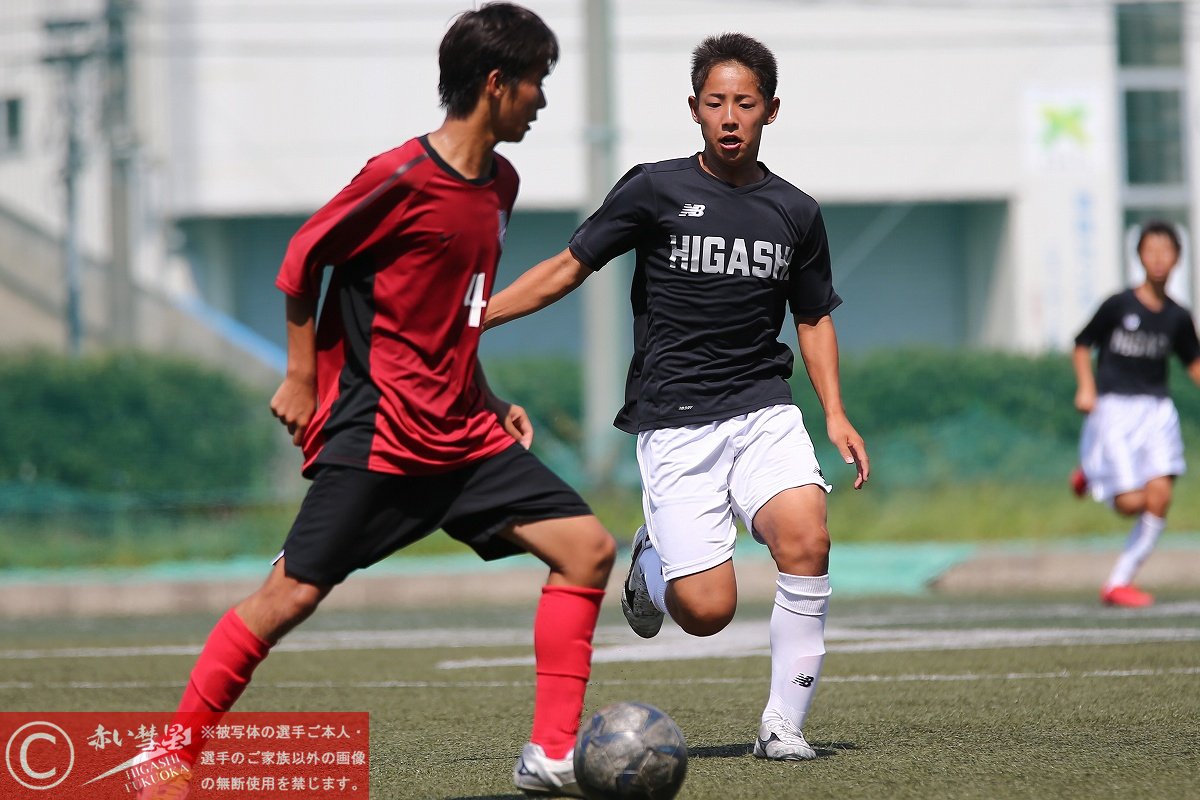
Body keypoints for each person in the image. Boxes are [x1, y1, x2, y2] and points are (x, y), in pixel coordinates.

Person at [139, 5, 615, 798]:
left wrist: (489, 398)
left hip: (466, 436)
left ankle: (550, 757)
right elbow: (302, 260)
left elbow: (456, 312)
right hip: (384, 436)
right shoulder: (399, 175)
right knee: (288, 595)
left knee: (588, 549)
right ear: (496, 84)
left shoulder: (501, 183)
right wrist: (299, 376)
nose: (541, 100)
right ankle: (173, 755)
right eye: (537, 83)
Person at [485, 32, 868, 762]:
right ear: (694, 108)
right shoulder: (654, 188)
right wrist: (481, 316)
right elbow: (570, 266)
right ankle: (652, 561)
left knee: (808, 538)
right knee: (706, 612)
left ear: (771, 111)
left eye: (745, 103)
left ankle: (783, 725)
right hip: (677, 419)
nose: (730, 116)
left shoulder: (796, 211)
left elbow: (813, 316)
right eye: (717, 102)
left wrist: (836, 414)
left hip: (765, 408)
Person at [1072, 219, 1200, 609]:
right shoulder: (1118, 305)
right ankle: (1090, 471)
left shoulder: (1178, 316)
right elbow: (1082, 344)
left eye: (1167, 250)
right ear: (1140, 256)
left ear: (1177, 258)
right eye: (1151, 250)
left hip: (1157, 411)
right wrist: (1086, 386)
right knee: (1131, 504)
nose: (1159, 258)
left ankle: (1119, 582)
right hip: (1115, 410)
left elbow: (1193, 364)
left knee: (1160, 498)